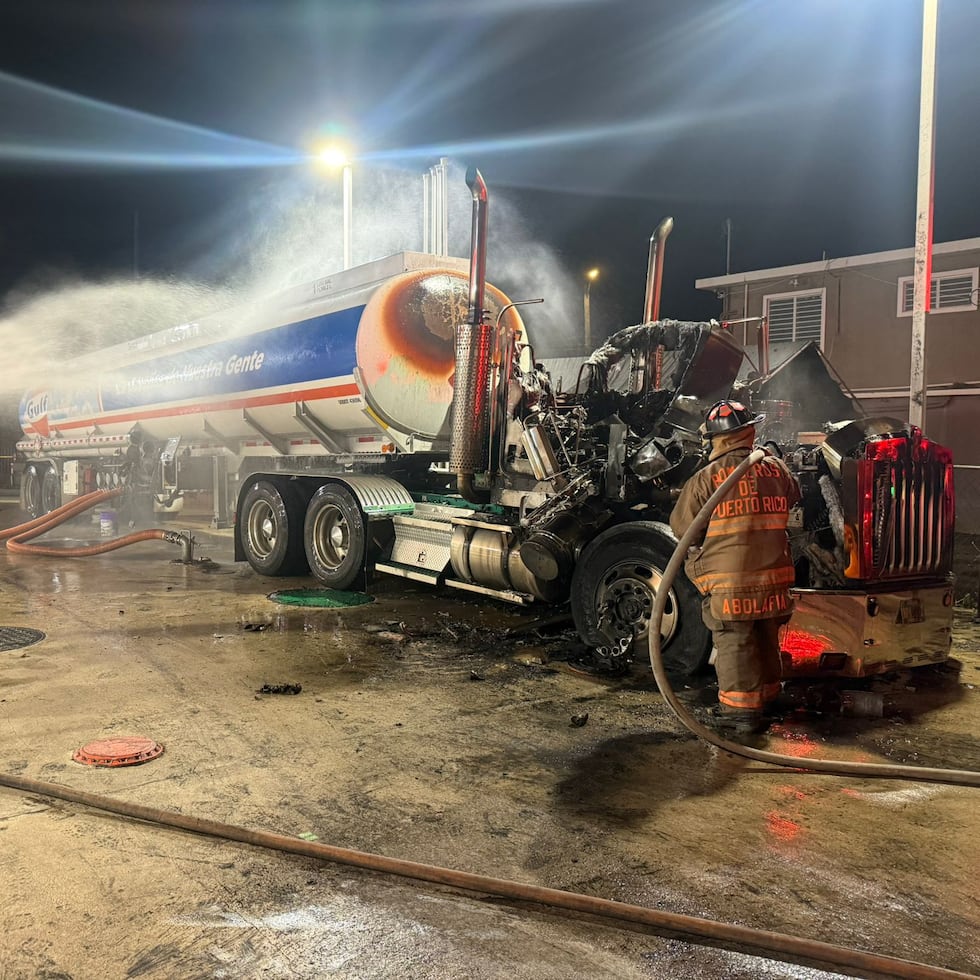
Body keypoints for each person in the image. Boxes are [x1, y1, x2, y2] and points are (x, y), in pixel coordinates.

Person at [669, 399, 801, 736]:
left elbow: (684, 529)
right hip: (773, 575)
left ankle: (739, 711)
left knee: (734, 639)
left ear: (715, 439)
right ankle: (770, 696)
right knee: (765, 635)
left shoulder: (707, 478)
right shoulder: (776, 469)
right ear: (749, 432)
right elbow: (794, 495)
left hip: (731, 580)